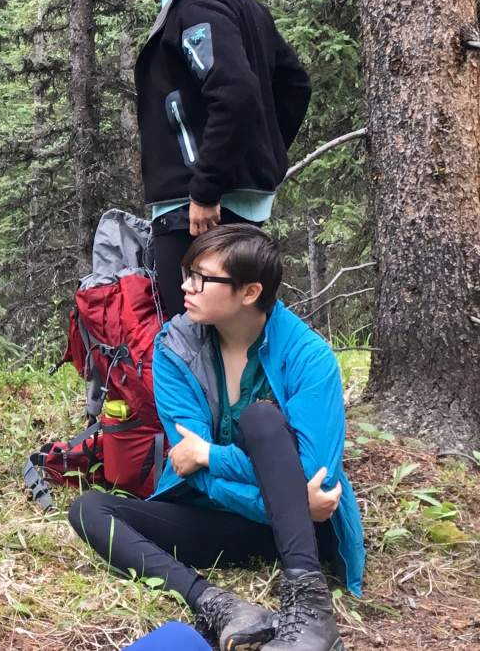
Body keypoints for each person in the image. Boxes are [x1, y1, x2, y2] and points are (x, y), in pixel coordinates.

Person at [68, 225, 364, 651]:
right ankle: (218, 604)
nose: (185, 286)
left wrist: (209, 454)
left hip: (300, 537)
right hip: (241, 517)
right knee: (90, 509)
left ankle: (311, 608)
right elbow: (194, 473)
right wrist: (288, 502)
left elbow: (312, 472)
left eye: (200, 278)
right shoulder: (174, 347)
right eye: (187, 273)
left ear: (248, 292)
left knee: (262, 420)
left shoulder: (307, 355)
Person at [115, 0, 312, 318]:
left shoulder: (197, 4)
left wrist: (205, 187)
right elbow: (294, 86)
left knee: (186, 339)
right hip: (236, 203)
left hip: (198, 210)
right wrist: (257, 155)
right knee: (235, 337)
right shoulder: (241, 3)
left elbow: (235, 93)